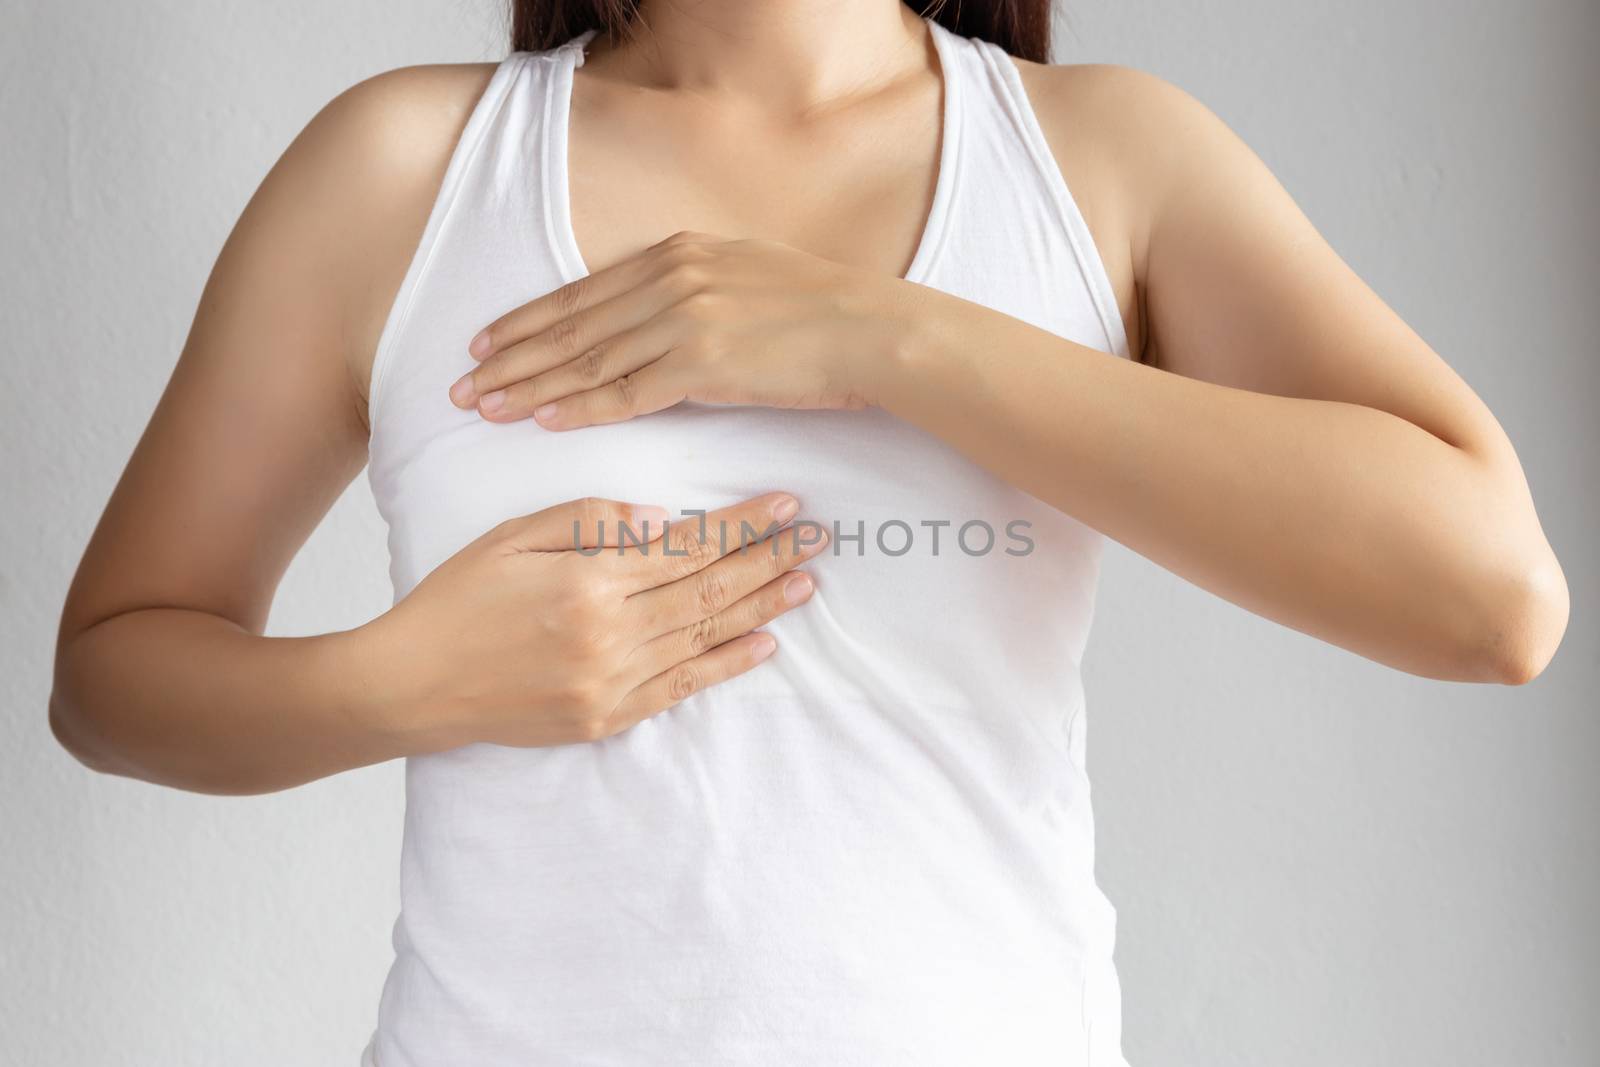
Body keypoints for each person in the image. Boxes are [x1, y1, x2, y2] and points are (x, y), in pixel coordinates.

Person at [49, 0, 1569, 1064]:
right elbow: (112, 675)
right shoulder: (402, 168)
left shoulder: (1108, 160)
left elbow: (1493, 596)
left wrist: (884, 336)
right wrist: (400, 682)